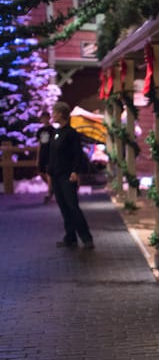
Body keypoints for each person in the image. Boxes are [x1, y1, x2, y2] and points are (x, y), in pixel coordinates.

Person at [48, 101, 94, 249]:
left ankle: (87, 239)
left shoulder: (71, 133)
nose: (52, 115)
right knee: (63, 207)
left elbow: (77, 155)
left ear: (61, 114)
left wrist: (75, 171)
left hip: (67, 176)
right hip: (56, 176)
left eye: (54, 112)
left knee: (73, 207)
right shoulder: (56, 133)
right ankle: (70, 237)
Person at [36, 110, 55, 203]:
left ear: (49, 118)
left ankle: (49, 192)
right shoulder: (40, 131)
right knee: (41, 172)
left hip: (50, 153)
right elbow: (39, 144)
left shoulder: (52, 130)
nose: (44, 119)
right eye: (42, 118)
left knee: (49, 173)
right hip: (42, 153)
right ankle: (52, 187)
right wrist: (38, 157)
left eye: (46, 117)